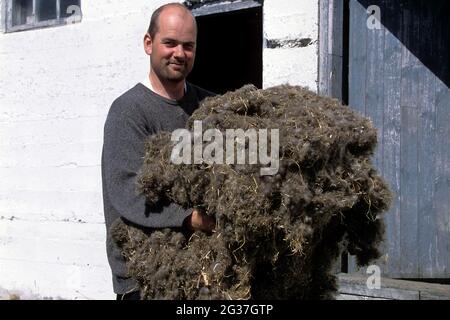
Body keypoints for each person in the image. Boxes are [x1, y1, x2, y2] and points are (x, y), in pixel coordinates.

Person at [101, 3, 216, 300]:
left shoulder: (211, 107)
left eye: (188, 46)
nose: (179, 53)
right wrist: (191, 218)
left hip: (203, 274)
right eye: (170, 43)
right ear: (148, 44)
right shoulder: (129, 111)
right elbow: (127, 191)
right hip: (147, 277)